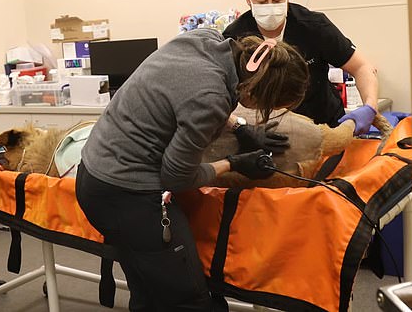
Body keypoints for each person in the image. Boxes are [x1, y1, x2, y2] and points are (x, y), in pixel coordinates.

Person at [76, 29, 309, 311]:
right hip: (125, 194)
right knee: (189, 300)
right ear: (253, 91)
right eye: (268, 105)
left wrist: (239, 126)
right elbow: (176, 178)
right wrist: (234, 164)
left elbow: (183, 91)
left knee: (150, 290)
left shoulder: (205, 40)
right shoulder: (209, 99)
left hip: (93, 172)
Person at [223, 0, 379, 134]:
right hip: (266, 133)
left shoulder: (314, 27)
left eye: (277, 0)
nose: (270, 7)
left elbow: (361, 67)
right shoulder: (234, 37)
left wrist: (370, 106)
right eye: (262, 2)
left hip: (322, 126)